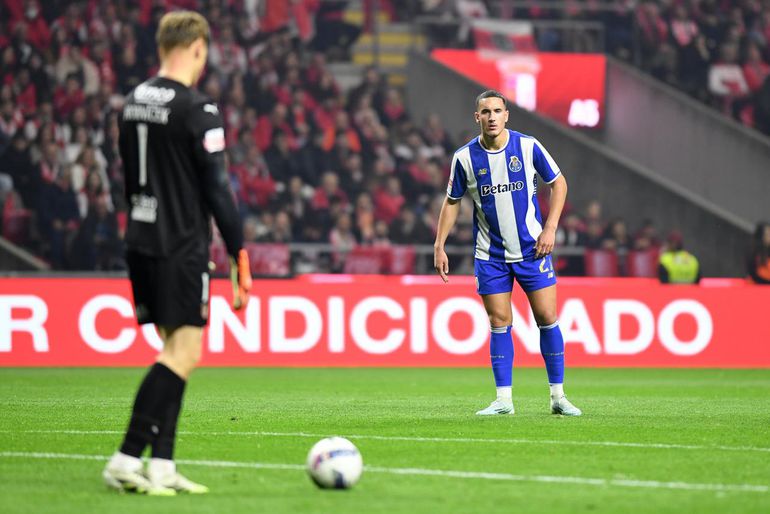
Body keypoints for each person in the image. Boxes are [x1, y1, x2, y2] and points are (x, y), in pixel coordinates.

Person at [103, 11, 252, 496]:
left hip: (141, 237)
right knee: (185, 352)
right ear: (198, 49)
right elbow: (218, 189)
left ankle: (162, 465)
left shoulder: (133, 101)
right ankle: (126, 457)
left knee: (174, 350)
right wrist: (238, 253)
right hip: (181, 243)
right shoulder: (197, 108)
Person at [434, 90, 581, 417]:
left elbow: (558, 183)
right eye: (485, 111)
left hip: (532, 248)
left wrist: (551, 227)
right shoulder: (464, 159)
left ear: (506, 115)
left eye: (497, 110)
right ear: (477, 117)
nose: (491, 117)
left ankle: (558, 396)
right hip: (491, 255)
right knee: (499, 322)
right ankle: (504, 400)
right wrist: (439, 244)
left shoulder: (527, 146)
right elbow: (452, 202)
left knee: (546, 318)